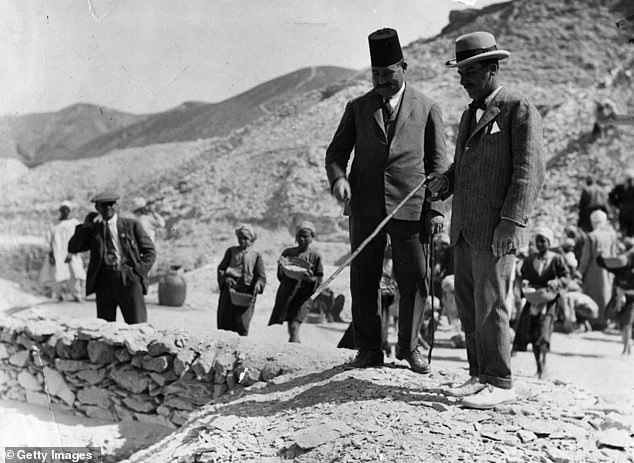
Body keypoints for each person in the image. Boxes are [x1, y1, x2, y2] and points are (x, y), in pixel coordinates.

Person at [427, 31, 545, 408]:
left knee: (493, 304)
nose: (463, 81)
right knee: (468, 304)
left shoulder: (517, 107)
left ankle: (499, 380)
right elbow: (462, 168)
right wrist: (443, 182)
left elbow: (529, 171)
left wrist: (511, 222)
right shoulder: (468, 114)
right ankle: (478, 374)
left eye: (469, 73)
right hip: (464, 228)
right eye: (460, 74)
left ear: (492, 68)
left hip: (496, 230)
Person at [325, 28, 449, 373]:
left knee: (416, 277)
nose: (381, 81)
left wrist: (436, 208)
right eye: (376, 75)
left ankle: (410, 348)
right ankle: (368, 348)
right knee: (364, 278)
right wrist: (338, 180)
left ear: (404, 67)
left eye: (388, 73)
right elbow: (336, 153)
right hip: (365, 207)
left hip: (410, 208)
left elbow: (438, 164)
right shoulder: (357, 107)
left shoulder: (427, 109)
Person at [68, 192, 156, 324]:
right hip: (104, 281)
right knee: (105, 327)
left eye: (111, 204)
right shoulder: (95, 230)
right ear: (97, 208)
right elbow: (73, 248)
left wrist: (137, 272)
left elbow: (150, 251)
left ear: (116, 206)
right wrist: (85, 227)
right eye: (103, 205)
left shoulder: (131, 225)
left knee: (137, 325)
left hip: (128, 279)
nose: (107, 208)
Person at [512, 227, 570, 378]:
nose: (539, 243)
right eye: (537, 241)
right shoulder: (530, 259)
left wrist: (556, 282)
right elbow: (524, 275)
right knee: (529, 331)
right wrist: (525, 283)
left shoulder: (557, 259)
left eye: (543, 241)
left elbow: (566, 277)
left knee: (543, 332)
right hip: (533, 299)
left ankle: (543, 366)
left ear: (549, 243)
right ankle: (538, 365)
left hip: (549, 300)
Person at [269, 221, 324, 343]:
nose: (302, 239)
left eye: (305, 236)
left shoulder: (315, 256)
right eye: (299, 236)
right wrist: (283, 269)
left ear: (311, 238)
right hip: (288, 293)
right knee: (291, 324)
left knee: (294, 324)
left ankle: (294, 349)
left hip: (304, 296)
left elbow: (319, 278)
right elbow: (280, 275)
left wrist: (310, 279)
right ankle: (296, 349)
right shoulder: (288, 253)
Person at [216, 224, 266, 336]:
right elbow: (221, 269)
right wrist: (226, 279)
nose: (242, 241)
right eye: (240, 238)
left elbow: (261, 276)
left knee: (242, 323)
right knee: (225, 322)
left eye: (245, 238)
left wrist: (258, 285)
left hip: (246, 292)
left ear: (252, 240)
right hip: (230, 291)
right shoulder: (231, 251)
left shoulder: (256, 255)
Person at [578, 209, 618, 329]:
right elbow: (614, 254)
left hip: (594, 268)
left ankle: (593, 320)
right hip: (609, 267)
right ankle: (604, 320)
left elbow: (586, 258)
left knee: (592, 292)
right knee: (606, 293)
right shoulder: (612, 235)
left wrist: (580, 272)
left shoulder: (591, 236)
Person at [41, 201, 86, 302]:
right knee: (56, 275)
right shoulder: (54, 224)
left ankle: (77, 295)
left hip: (71, 254)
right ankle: (58, 296)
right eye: (63, 210)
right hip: (57, 254)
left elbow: (80, 239)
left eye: (67, 210)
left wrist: (74, 252)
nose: (65, 212)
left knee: (74, 274)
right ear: (60, 211)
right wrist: (51, 254)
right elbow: (48, 239)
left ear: (70, 211)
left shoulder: (75, 223)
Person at [597, 246, 634, 354]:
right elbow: (604, 264)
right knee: (623, 324)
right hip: (620, 298)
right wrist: (600, 257)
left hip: (631, 299)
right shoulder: (621, 268)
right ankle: (628, 345)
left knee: (627, 324)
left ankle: (626, 349)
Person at [608, 169, 634, 237]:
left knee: (626, 233)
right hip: (625, 213)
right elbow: (611, 195)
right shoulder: (620, 187)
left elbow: (611, 195)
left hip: (625, 212)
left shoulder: (621, 187)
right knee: (626, 233)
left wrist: (618, 204)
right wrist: (618, 204)